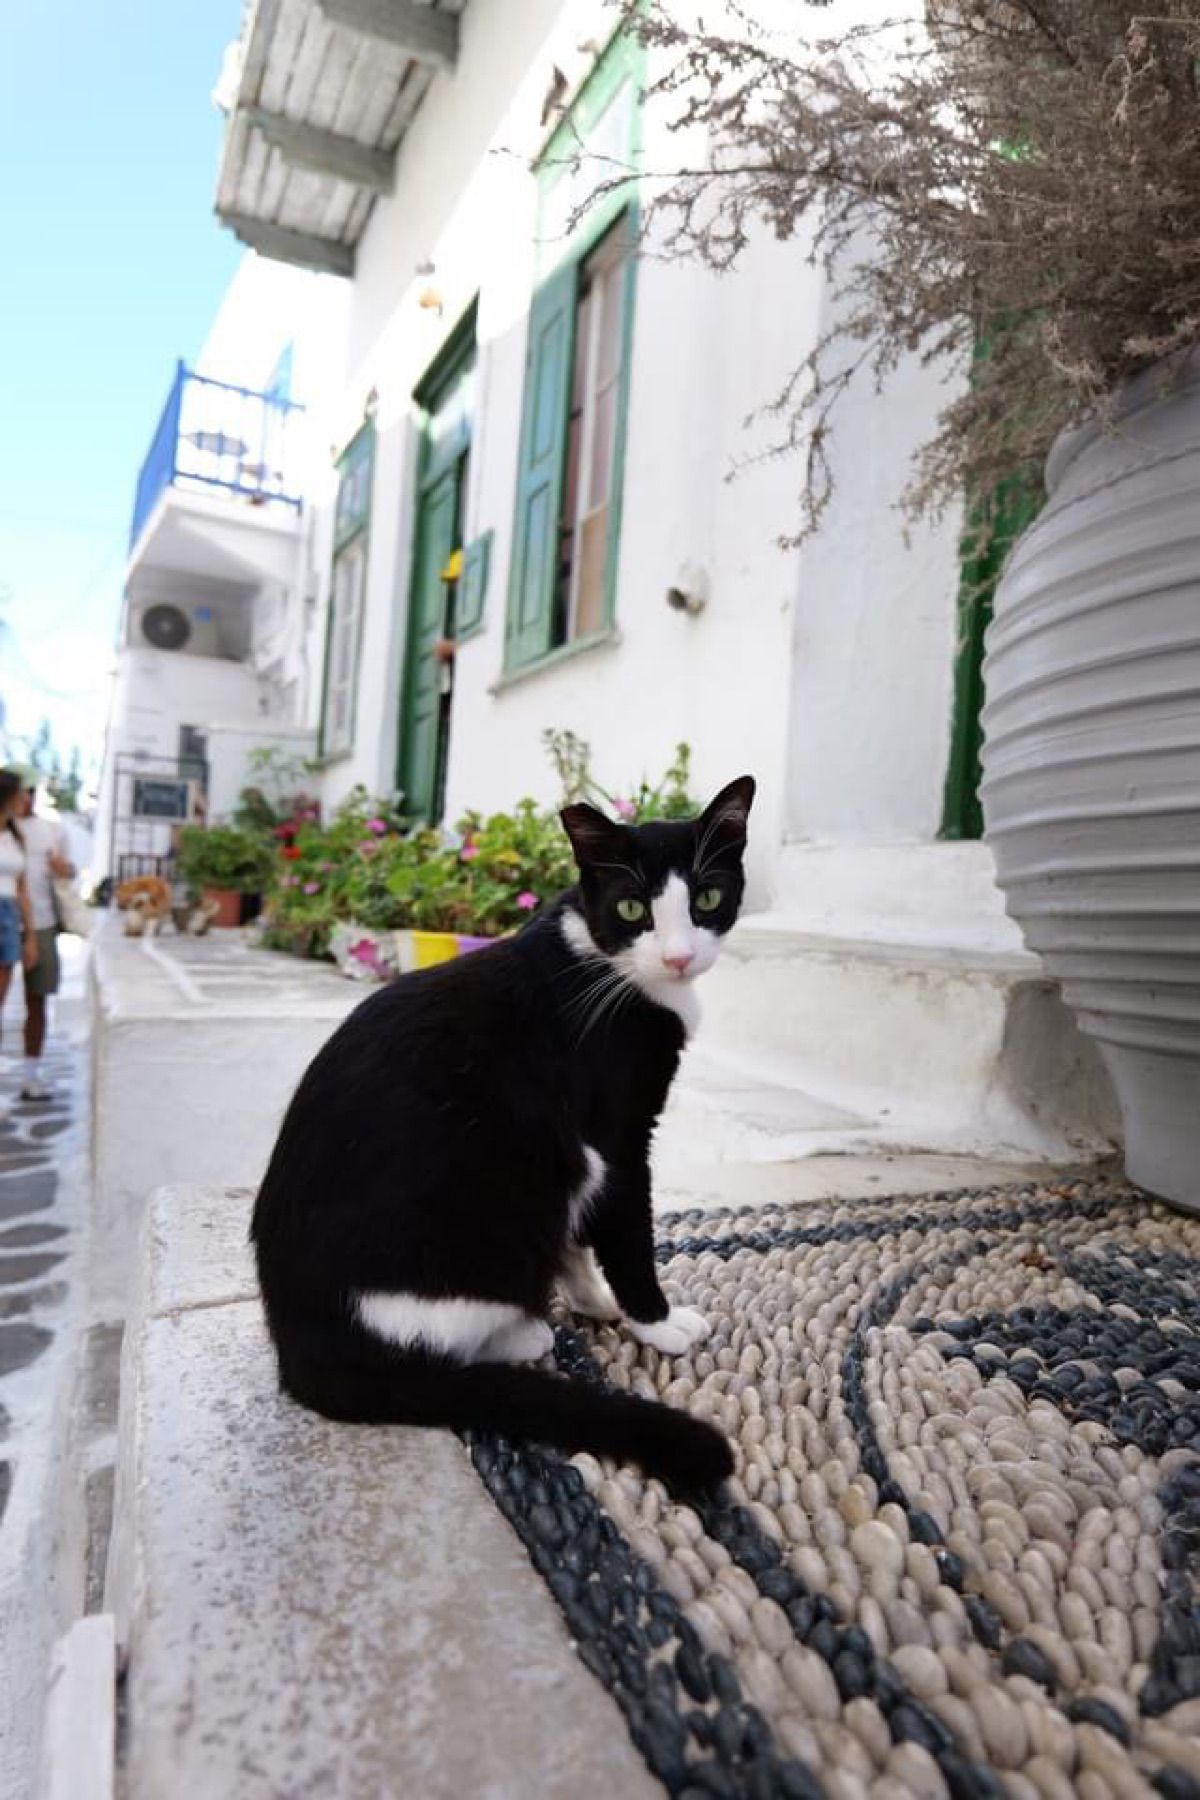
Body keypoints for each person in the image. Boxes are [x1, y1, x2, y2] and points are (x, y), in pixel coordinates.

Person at [10, 769, 75, 1100]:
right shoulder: (6, 830)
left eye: (30, 791)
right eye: (20, 791)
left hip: (44, 922)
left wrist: (65, 869)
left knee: (38, 999)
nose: (26, 797)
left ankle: (31, 1075)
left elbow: (69, 870)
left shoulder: (52, 828)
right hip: (8, 922)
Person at [0, 771, 39, 1083]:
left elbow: (23, 889)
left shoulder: (16, 837)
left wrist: (31, 936)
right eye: (21, 793)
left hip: (9, 917)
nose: (26, 799)